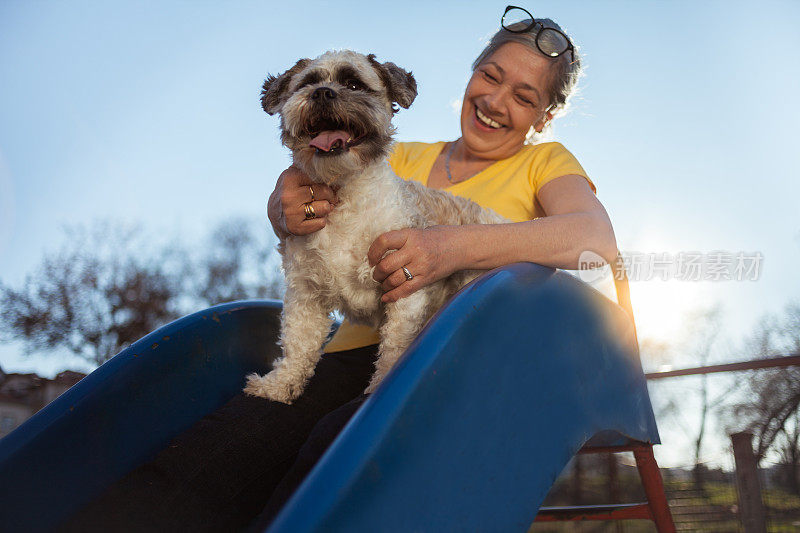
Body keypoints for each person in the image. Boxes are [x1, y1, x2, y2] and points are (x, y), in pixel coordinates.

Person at [62, 6, 617, 532]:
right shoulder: (392, 153)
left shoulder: (546, 163)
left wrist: (451, 247)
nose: (496, 100)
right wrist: (281, 205)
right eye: (490, 76)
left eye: (523, 96)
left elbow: (595, 240)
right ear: (470, 75)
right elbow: (309, 198)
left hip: (455, 363)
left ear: (544, 117)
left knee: (336, 448)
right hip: (349, 350)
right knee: (228, 441)